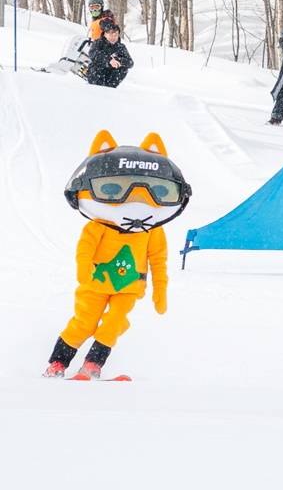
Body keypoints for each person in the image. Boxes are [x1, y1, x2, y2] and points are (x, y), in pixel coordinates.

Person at [44, 130, 188, 380]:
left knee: (114, 324)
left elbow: (158, 260)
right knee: (85, 323)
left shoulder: (153, 231)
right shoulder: (98, 225)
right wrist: (84, 267)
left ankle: (92, 364)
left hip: (130, 287)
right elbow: (85, 248)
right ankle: (57, 363)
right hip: (95, 283)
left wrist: (160, 289)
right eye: (113, 189)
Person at [83, 18, 133, 88]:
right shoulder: (98, 43)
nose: (113, 37)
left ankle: (110, 87)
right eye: (111, 35)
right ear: (105, 34)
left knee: (124, 68)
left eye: (115, 35)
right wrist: (109, 60)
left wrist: (118, 60)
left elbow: (130, 62)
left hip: (111, 79)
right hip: (96, 75)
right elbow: (93, 54)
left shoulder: (120, 47)